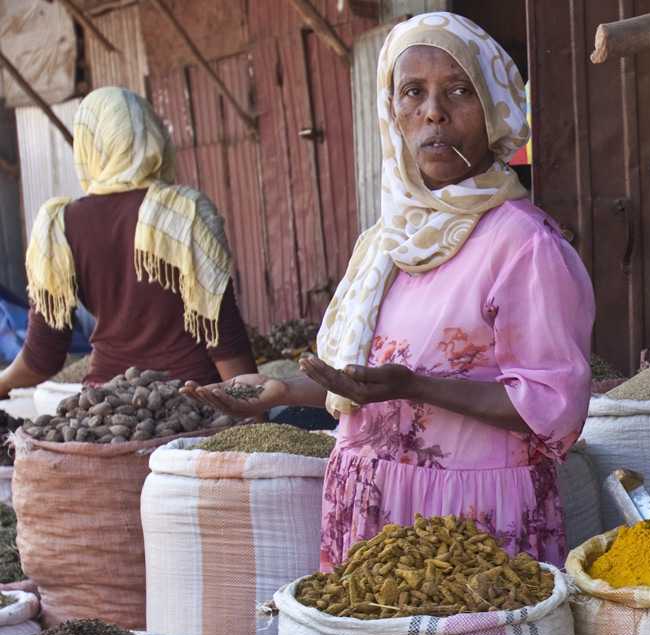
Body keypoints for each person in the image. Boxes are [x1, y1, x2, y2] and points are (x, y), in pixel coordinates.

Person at [190, 12, 593, 568]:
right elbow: (370, 381)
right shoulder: (385, 242)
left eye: (458, 90)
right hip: (373, 511)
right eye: (413, 93)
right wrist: (283, 391)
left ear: (496, 107)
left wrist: (418, 386)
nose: (433, 111)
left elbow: (553, 406)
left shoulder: (523, 244)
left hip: (469, 523)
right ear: (391, 112)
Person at [0, 87, 255, 393]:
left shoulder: (60, 224)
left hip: (104, 410)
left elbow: (42, 357)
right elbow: (224, 336)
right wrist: (253, 413)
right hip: (193, 402)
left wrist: (2, 383)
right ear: (154, 134)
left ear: (88, 145)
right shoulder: (184, 212)